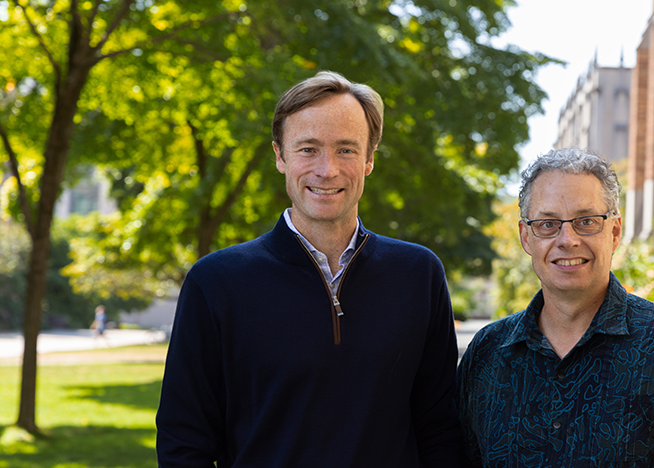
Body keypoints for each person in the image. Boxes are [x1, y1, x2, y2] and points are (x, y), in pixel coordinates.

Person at [156, 71, 464, 467]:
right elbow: (184, 442)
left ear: (369, 160)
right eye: (308, 149)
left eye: (346, 150)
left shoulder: (418, 275)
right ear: (280, 156)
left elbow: (439, 428)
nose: (327, 169)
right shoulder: (216, 282)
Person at [456, 148, 654, 467]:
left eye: (586, 221)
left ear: (615, 231)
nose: (567, 239)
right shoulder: (488, 354)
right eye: (548, 224)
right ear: (526, 237)